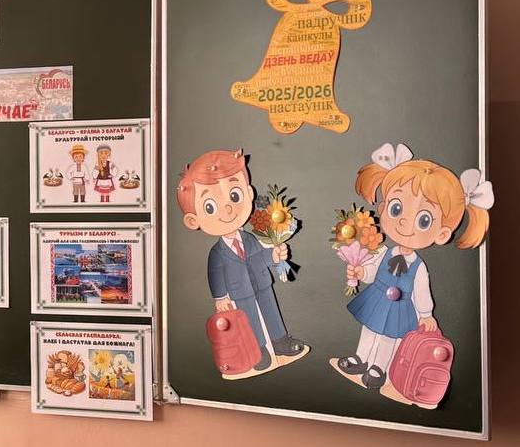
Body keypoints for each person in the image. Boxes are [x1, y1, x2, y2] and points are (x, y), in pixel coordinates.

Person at [332, 144, 491, 402]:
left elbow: (421, 291)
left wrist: (426, 314)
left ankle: (379, 368)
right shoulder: (384, 252)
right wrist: (361, 270)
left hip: (400, 306)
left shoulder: (418, 267)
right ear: (383, 209)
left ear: (442, 233)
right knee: (369, 330)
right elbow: (372, 270)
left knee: (389, 338)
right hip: (377, 298)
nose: (405, 222)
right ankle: (361, 358)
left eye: (424, 220)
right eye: (396, 209)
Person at [177, 149, 308, 378]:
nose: (228, 208)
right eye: (210, 206)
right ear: (194, 219)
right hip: (240, 293)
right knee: (250, 321)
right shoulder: (217, 253)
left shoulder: (250, 238)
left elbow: (259, 257)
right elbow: (215, 275)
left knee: (271, 311)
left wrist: (275, 256)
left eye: (234, 196)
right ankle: (258, 350)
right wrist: (220, 297)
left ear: (248, 193)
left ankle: (280, 341)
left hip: (262, 284)